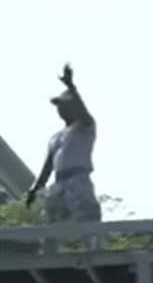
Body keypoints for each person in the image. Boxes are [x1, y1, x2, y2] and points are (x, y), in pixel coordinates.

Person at [26, 64, 100, 225]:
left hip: (78, 179)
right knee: (52, 222)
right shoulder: (55, 137)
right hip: (59, 182)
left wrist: (71, 87)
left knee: (86, 221)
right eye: (59, 106)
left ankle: (92, 248)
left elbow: (83, 111)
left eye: (64, 105)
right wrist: (36, 188)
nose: (60, 109)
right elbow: (48, 167)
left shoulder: (84, 126)